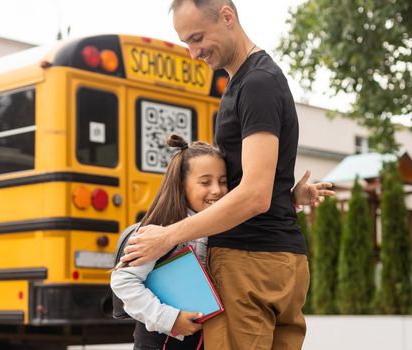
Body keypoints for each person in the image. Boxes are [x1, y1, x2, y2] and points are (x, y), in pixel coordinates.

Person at [120, 1, 335, 349]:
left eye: (197, 37)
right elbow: (259, 183)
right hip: (284, 259)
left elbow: (253, 194)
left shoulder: (256, 84)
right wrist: (290, 196)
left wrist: (166, 237)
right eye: (186, 41)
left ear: (227, 16)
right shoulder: (255, 81)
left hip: (247, 263)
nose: (192, 53)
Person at [111, 134, 228, 350]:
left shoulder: (221, 226)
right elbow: (123, 281)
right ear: (181, 185)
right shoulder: (160, 230)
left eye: (223, 181)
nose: (217, 190)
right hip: (160, 342)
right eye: (205, 182)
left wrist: (292, 198)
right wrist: (171, 319)